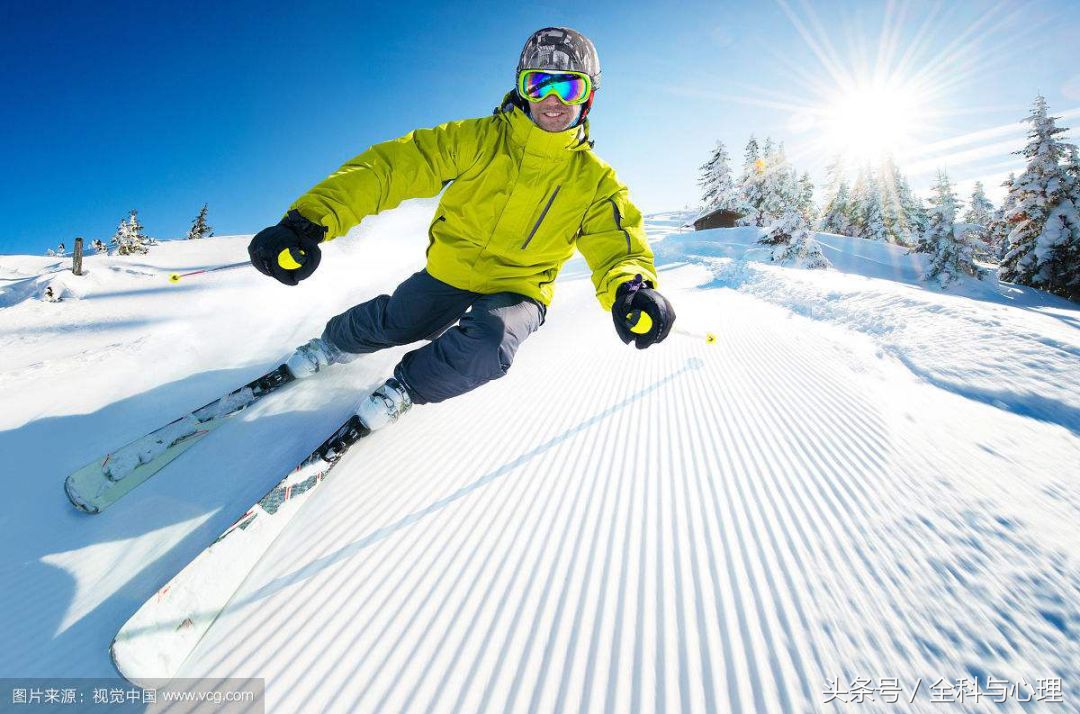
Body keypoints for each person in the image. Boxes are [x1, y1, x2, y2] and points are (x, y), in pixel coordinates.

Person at [248, 26, 675, 431]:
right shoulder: (478, 139)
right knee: (399, 321)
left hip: (521, 286)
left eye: (569, 86)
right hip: (451, 270)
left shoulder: (597, 183)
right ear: (522, 88)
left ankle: (407, 388)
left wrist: (632, 289)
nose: (552, 98)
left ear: (589, 98)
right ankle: (331, 346)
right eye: (538, 82)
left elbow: (619, 247)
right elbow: (390, 169)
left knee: (491, 343)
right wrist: (308, 221)